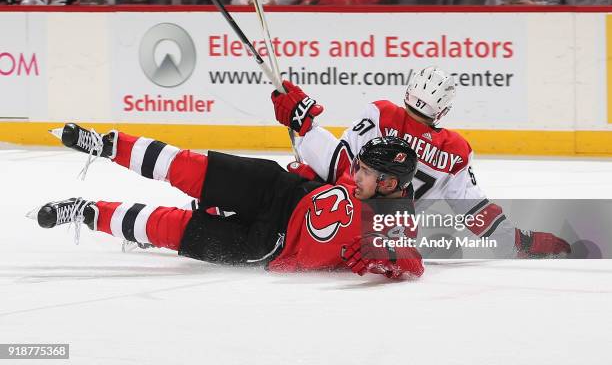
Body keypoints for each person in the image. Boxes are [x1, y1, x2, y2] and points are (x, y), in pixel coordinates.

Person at [29, 122, 423, 280]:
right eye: (359, 166)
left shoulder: (395, 223)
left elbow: (415, 265)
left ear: (390, 185)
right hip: (278, 189)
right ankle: (107, 145)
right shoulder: (357, 176)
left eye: (367, 173)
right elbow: (329, 154)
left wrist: (384, 254)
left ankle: (88, 212)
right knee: (191, 167)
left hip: (268, 245)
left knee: (175, 230)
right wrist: (300, 114)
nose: (356, 174)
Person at [269, 67, 572, 257]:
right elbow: (475, 212)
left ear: (408, 92)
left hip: (337, 214)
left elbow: (342, 167)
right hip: (382, 237)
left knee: (285, 188)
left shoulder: (380, 113)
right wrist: (520, 240)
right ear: (442, 111)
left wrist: (307, 129)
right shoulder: (455, 150)